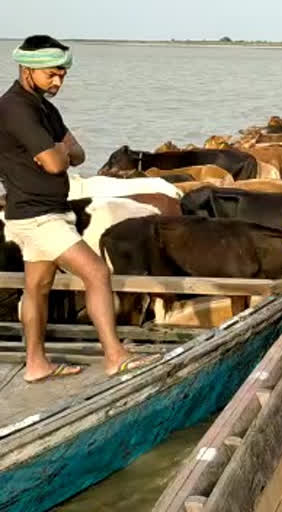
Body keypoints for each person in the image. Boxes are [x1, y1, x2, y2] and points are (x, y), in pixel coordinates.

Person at [0, 35, 158, 383]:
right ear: (28, 68)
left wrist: (59, 151)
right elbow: (57, 163)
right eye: (52, 75)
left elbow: (78, 153)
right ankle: (115, 356)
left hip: (45, 212)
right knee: (97, 273)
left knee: (38, 287)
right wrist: (58, 152)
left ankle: (36, 364)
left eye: (62, 75)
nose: (58, 82)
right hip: (37, 215)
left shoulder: (43, 107)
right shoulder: (15, 108)